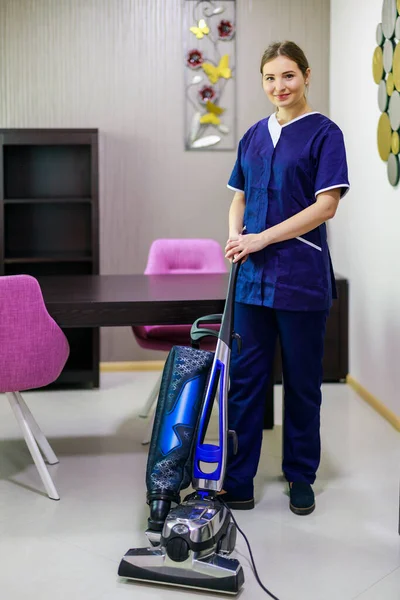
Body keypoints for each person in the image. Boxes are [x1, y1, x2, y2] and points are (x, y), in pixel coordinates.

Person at [221, 41, 349, 515]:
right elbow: (238, 196)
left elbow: (326, 205)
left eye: (289, 76)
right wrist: (237, 237)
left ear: (306, 76)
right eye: (270, 78)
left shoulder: (324, 134)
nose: (280, 87)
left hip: (301, 278)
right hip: (252, 280)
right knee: (247, 381)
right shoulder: (254, 135)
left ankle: (300, 476)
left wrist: (261, 239)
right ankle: (237, 480)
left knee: (301, 384)